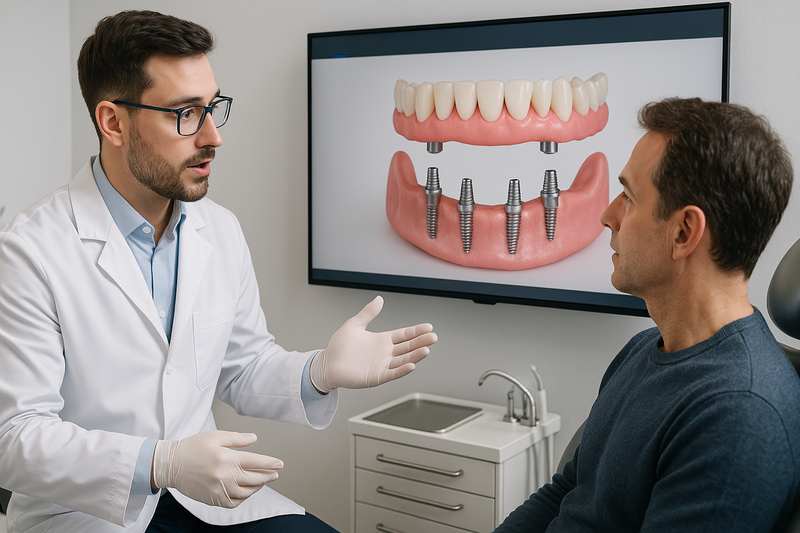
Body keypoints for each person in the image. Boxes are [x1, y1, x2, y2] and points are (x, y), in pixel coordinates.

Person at [0, 10, 437, 533]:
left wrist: (319, 370)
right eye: (184, 114)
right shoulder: (28, 250)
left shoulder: (219, 230)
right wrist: (161, 462)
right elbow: (14, 436)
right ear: (113, 122)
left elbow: (242, 366)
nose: (212, 137)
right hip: (83, 511)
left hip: (198, 501)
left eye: (212, 109)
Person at [494, 97, 800, 532]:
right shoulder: (644, 348)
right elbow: (566, 492)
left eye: (628, 197)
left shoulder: (739, 417)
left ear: (683, 232)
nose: (607, 216)